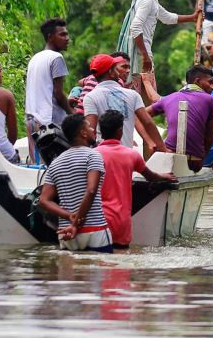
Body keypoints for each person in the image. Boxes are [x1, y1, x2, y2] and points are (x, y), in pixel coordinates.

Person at [116, 0, 201, 101]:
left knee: (143, 97)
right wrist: (145, 56)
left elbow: (167, 18)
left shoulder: (152, 0)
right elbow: (135, 27)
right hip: (140, 54)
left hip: (143, 53)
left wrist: (192, 17)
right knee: (146, 98)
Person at [96, 109, 176, 248]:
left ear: (101, 131)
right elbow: (151, 176)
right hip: (121, 221)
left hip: (95, 220)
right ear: (120, 131)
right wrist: (164, 176)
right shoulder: (132, 155)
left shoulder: (93, 154)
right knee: (120, 258)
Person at [38, 113, 113, 253]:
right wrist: (76, 223)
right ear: (83, 133)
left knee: (72, 267)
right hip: (94, 229)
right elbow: (91, 190)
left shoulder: (55, 163)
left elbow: (43, 200)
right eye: (89, 127)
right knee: (104, 266)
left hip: (65, 233)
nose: (93, 130)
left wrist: (69, 216)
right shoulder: (93, 155)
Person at [83, 54, 167, 152]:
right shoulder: (132, 95)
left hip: (102, 156)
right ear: (111, 72)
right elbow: (148, 122)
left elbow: (90, 130)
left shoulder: (90, 97)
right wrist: (162, 147)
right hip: (127, 155)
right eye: (116, 69)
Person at [146, 65, 213, 172]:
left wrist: (151, 142)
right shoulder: (209, 100)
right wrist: (202, 159)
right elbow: (209, 138)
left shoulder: (170, 97)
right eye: (210, 82)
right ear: (197, 81)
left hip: (167, 156)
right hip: (193, 161)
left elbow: (141, 114)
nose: (212, 87)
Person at [25, 18, 74, 164]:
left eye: (67, 34)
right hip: (48, 123)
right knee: (56, 167)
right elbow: (58, 94)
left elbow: (45, 91)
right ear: (50, 37)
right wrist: (72, 113)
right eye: (62, 34)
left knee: (38, 167)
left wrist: (67, 102)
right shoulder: (56, 57)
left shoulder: (35, 58)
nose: (67, 38)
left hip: (32, 120)